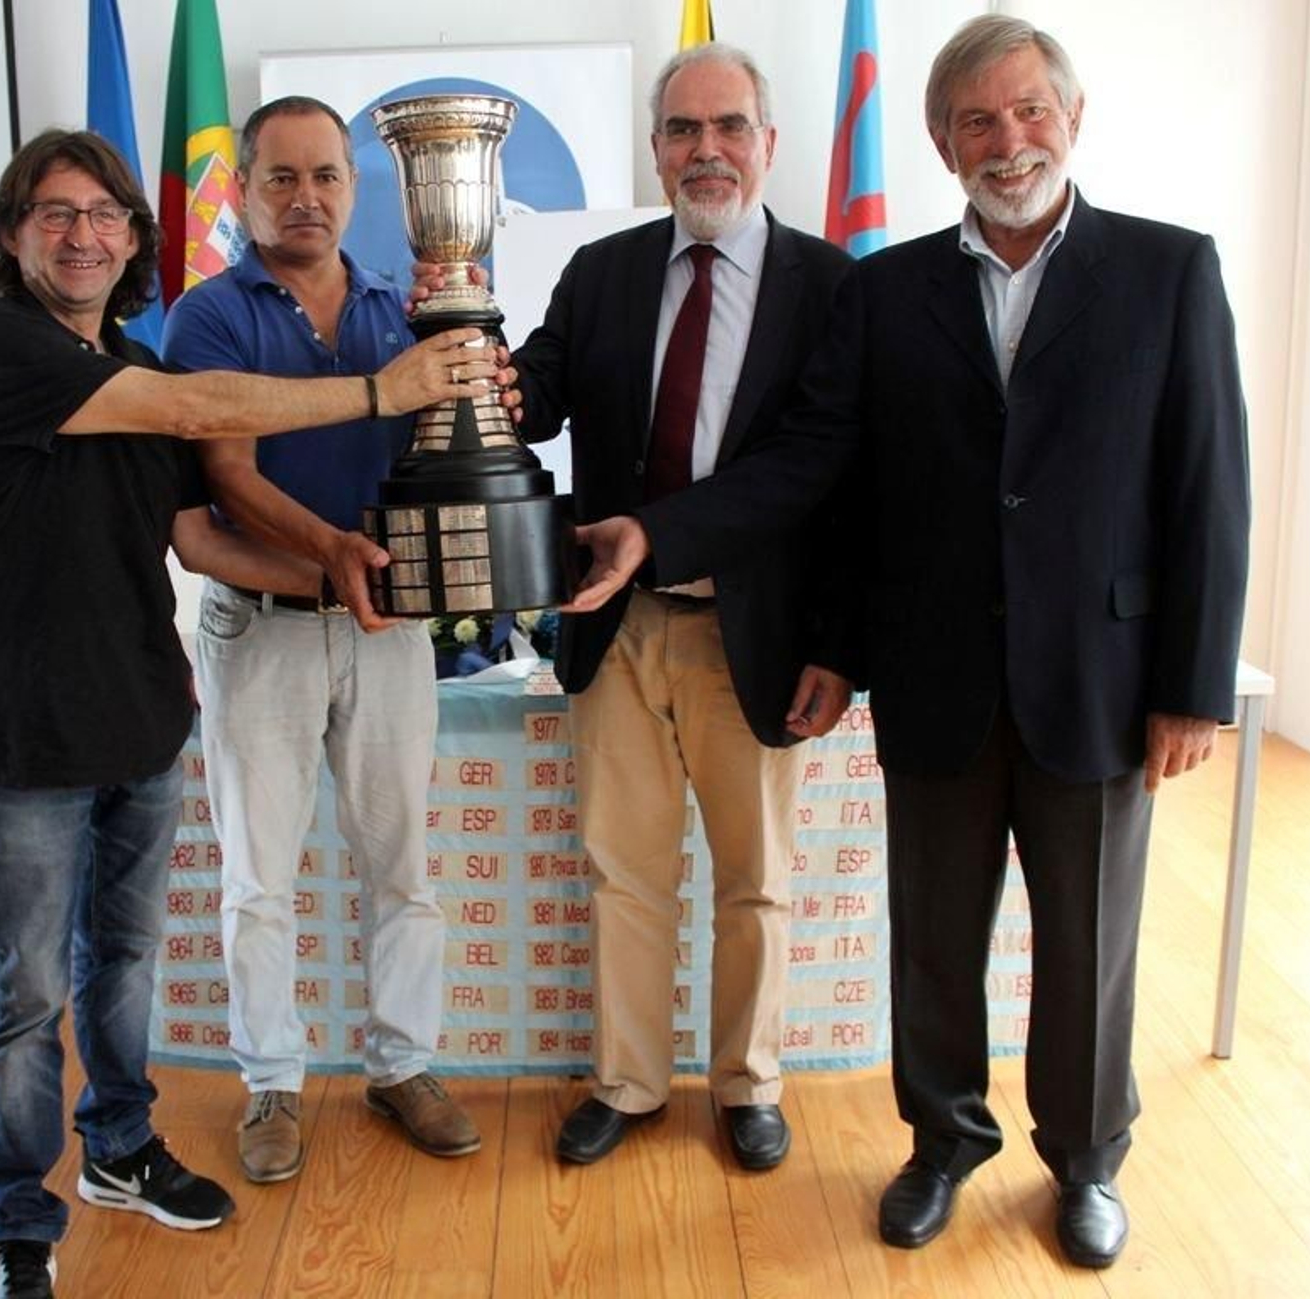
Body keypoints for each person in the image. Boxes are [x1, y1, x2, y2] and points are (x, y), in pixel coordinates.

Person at [0, 128, 493, 1299]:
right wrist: (377, 391)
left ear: (134, 237)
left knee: (125, 962)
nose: (83, 235)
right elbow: (204, 422)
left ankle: (124, 1149)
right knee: (29, 992)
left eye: (104, 215)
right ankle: (21, 1221)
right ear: (10, 235)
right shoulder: (1, 349)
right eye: (55, 214)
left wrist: (366, 578)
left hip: (143, 717)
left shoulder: (132, 353)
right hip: (30, 733)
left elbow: (193, 533)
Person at [815, 15, 1248, 1269]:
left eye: (1028, 112)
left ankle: (1087, 1160)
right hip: (937, 675)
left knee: (1090, 943)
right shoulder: (885, 290)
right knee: (935, 937)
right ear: (945, 144)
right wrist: (838, 648)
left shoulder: (1170, 271)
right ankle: (942, 1140)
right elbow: (855, 495)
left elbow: (1207, 492)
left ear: (1072, 117)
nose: (1008, 141)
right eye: (976, 121)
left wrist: (1192, 688)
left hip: (1104, 687)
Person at [473, 43, 862, 1170]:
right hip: (618, 626)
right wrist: (480, 361)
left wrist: (832, 641)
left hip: (759, 636)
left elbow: (822, 471)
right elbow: (537, 397)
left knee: (755, 883)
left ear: (767, 144)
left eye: (728, 127)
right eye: (683, 131)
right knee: (625, 872)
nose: (707, 151)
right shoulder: (602, 271)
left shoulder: (832, 287)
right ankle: (631, 1082)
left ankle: (747, 1085)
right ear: (655, 151)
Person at [161, 96, 482, 1183]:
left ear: (357, 189)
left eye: (327, 177)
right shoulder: (206, 316)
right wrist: (335, 560)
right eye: (282, 178)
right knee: (259, 877)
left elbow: (448, 457)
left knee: (404, 866)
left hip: (388, 633)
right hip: (263, 633)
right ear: (244, 191)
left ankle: (403, 1066)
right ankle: (270, 1087)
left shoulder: (406, 307)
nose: (306, 198)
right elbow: (227, 476)